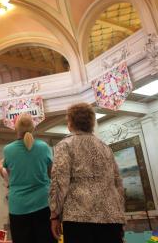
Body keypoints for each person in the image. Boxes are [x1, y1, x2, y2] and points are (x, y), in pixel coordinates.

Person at [49, 103, 125, 243]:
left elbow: (60, 182)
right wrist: (120, 215)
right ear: (91, 122)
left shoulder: (65, 145)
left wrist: (54, 215)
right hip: (111, 217)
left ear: (70, 123)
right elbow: (118, 183)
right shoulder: (105, 147)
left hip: (78, 218)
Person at [1, 114, 56, 243]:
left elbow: (10, 175)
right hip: (43, 203)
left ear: (16, 129)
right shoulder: (44, 147)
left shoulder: (8, 150)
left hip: (18, 207)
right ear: (33, 128)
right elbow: (51, 174)